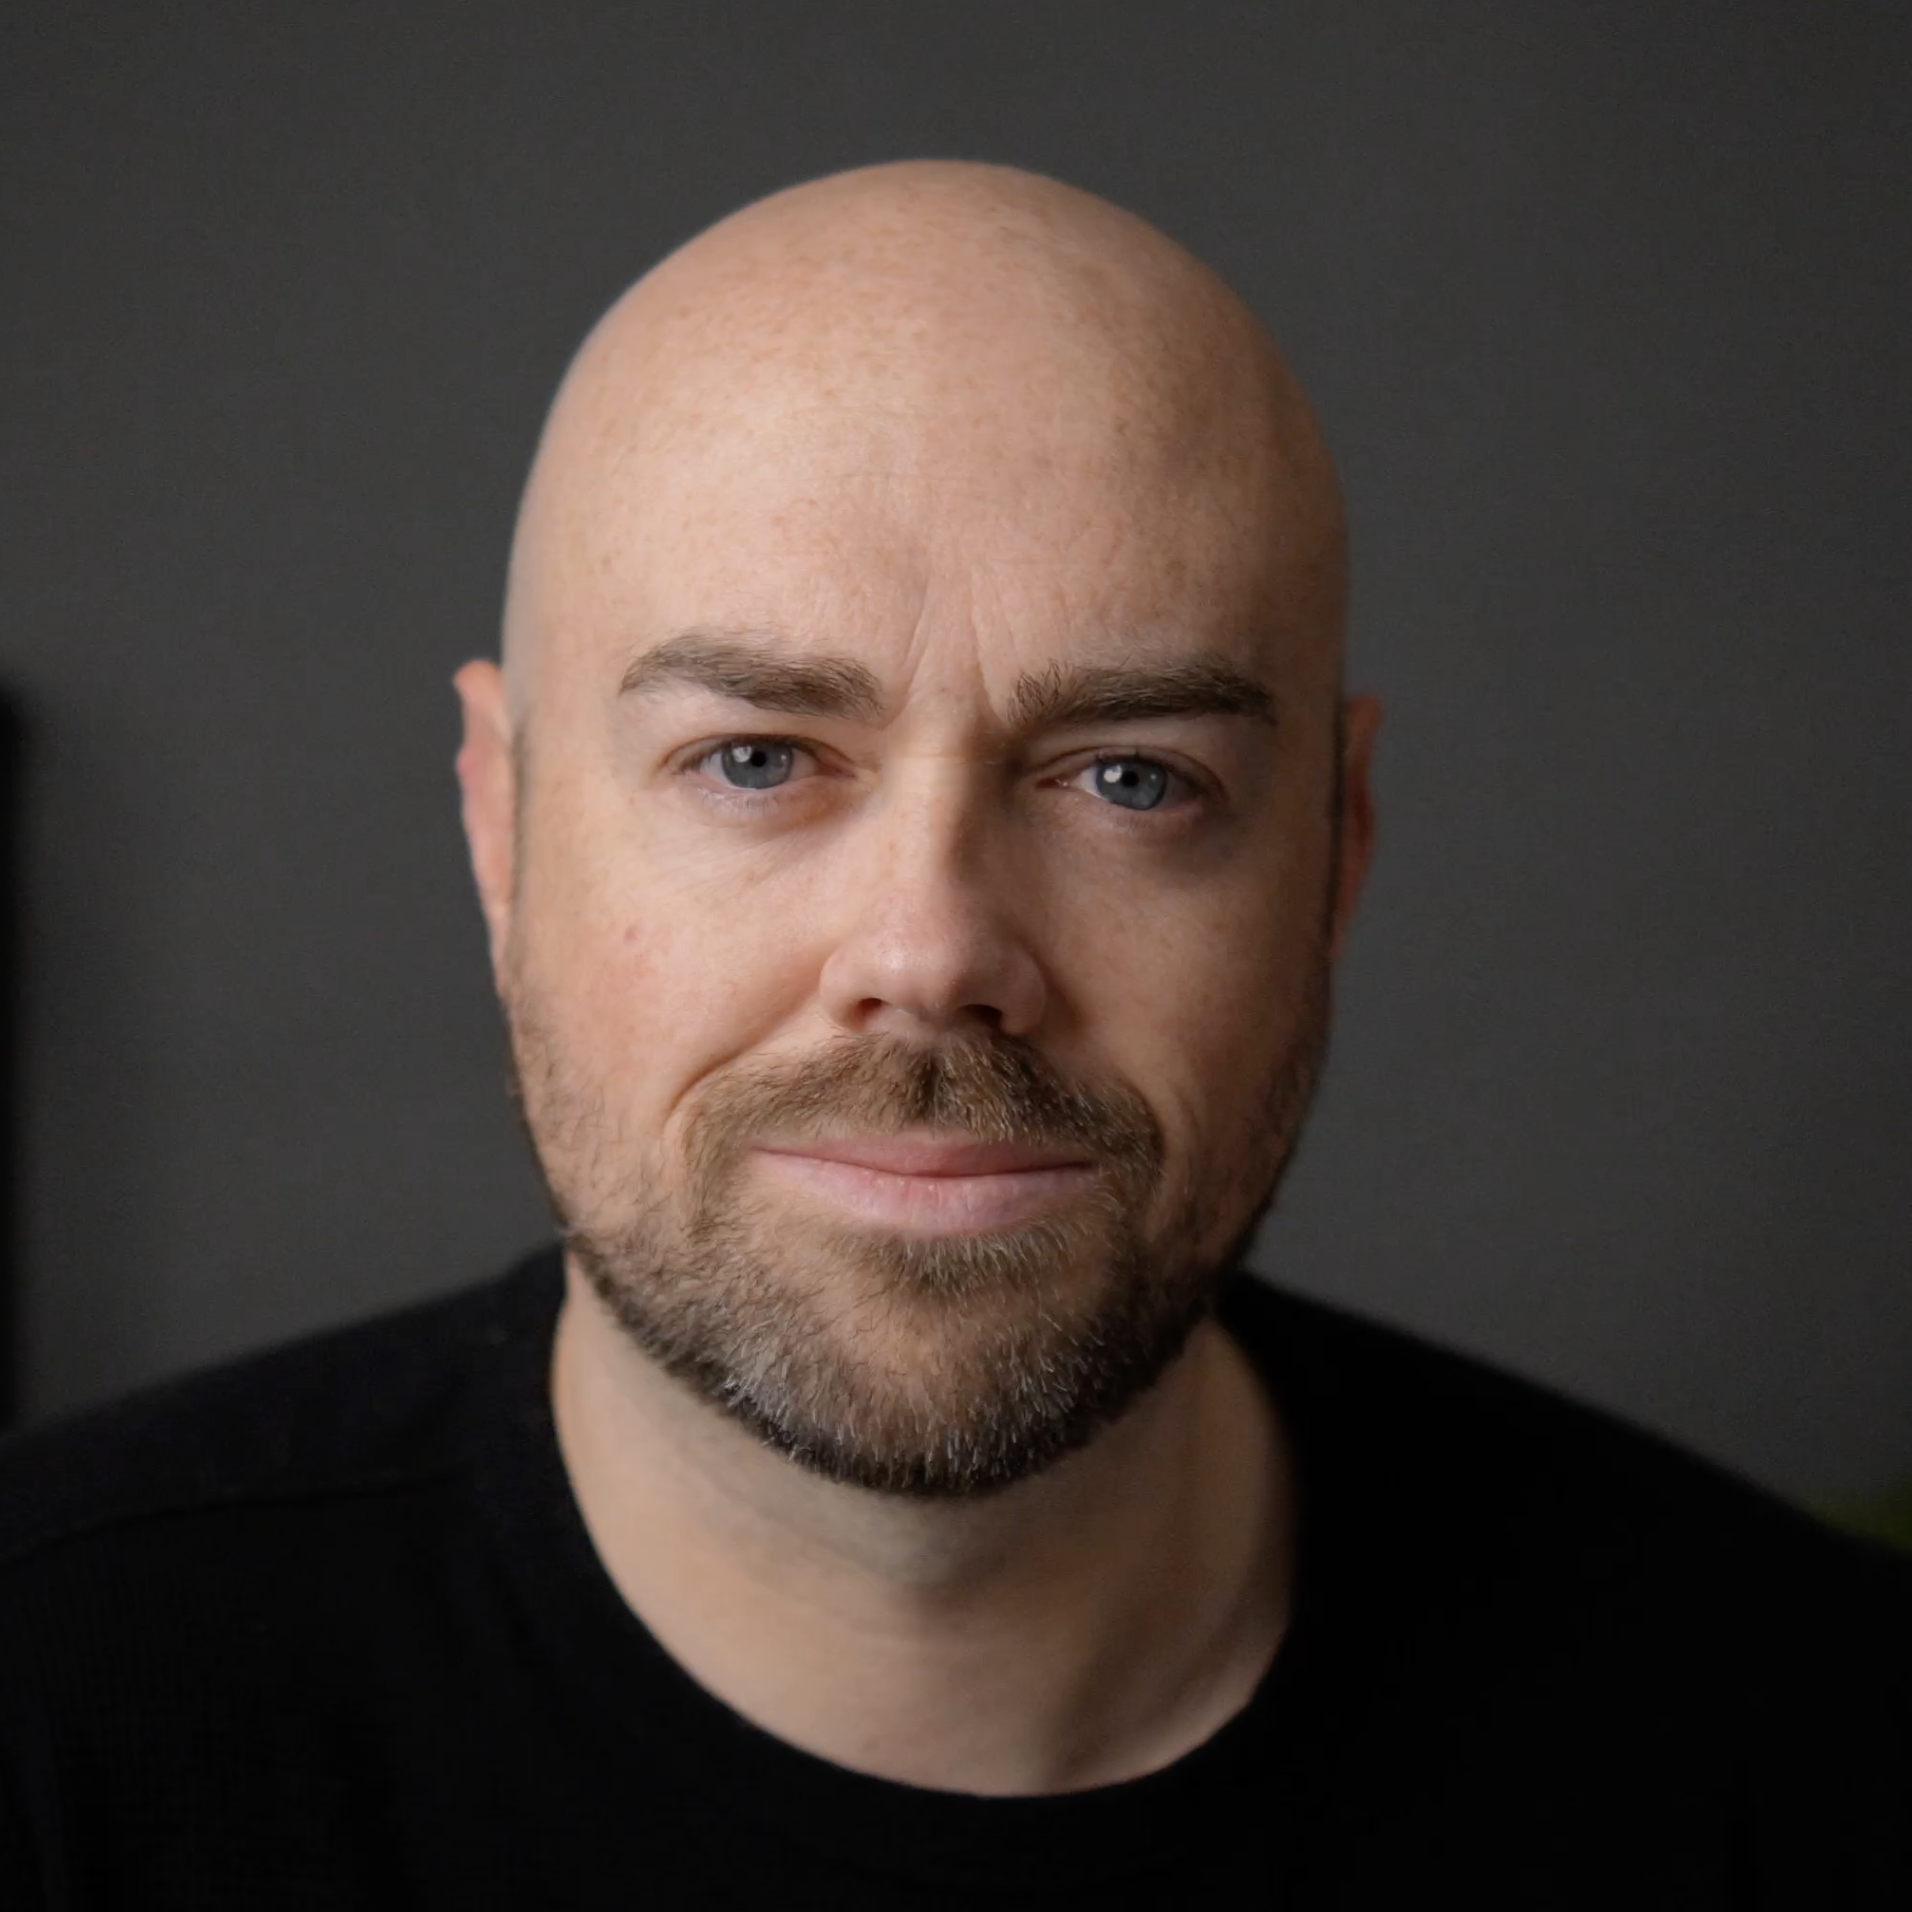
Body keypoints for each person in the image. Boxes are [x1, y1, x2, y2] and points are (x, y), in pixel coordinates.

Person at [0, 161, 1903, 1908]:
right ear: (502, 825)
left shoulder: (1820, 1752)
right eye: (756, 760)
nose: (931, 953)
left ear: (1336, 847)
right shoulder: (52, 1716)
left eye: (1132, 778)